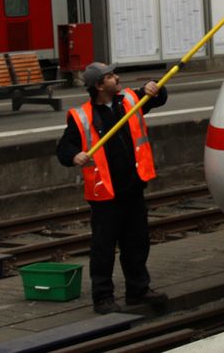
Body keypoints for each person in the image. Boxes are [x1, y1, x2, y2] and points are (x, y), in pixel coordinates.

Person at [55, 62, 170, 313]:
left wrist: (155, 89)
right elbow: (64, 149)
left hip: (133, 187)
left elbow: (158, 97)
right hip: (104, 192)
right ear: (98, 86)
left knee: (137, 242)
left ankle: (138, 291)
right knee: (103, 248)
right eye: (110, 76)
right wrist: (75, 156)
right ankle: (103, 297)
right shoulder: (82, 116)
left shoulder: (130, 99)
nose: (117, 78)